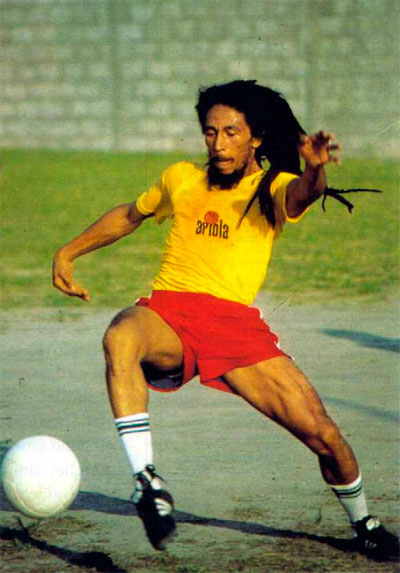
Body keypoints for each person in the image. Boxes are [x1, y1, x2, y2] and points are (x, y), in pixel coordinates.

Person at [53, 80, 398, 560]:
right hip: (170, 315)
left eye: (231, 132)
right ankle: (147, 482)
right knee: (121, 334)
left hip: (235, 329)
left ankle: (365, 523)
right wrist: (67, 252)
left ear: (255, 137)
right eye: (211, 132)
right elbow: (130, 215)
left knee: (324, 436)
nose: (218, 144)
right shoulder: (181, 178)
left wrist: (315, 168)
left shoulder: (270, 187)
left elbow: (302, 194)